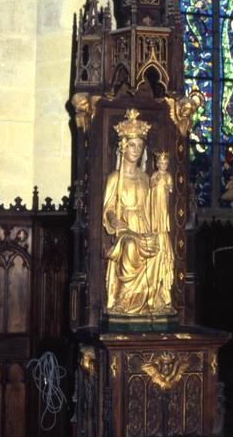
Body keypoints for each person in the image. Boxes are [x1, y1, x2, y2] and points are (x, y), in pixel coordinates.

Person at [103, 109, 174, 316]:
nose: (136, 150)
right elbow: (108, 209)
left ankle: (153, 299)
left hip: (145, 225)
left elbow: (153, 206)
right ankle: (124, 300)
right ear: (123, 147)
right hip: (126, 229)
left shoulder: (145, 178)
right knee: (131, 245)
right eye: (132, 145)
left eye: (140, 146)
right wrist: (114, 220)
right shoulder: (115, 178)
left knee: (159, 246)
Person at [150, 152, 174, 307]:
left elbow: (170, 188)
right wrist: (155, 181)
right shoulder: (155, 174)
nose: (163, 166)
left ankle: (161, 225)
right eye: (161, 163)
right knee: (156, 211)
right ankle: (156, 225)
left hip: (163, 202)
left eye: (165, 164)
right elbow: (151, 185)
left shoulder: (168, 176)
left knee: (163, 211)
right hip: (155, 203)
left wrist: (167, 186)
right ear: (157, 164)